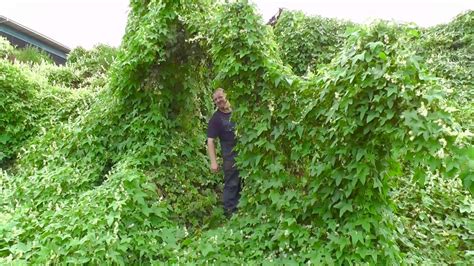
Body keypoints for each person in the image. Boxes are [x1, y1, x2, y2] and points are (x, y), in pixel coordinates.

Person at [207, 88, 241, 217]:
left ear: (226, 95)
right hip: (229, 155)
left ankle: (240, 211)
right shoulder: (216, 119)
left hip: (243, 152)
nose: (218, 101)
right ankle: (229, 214)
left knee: (242, 183)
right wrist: (213, 162)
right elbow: (210, 140)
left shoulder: (237, 110)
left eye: (220, 97)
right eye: (215, 99)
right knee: (231, 184)